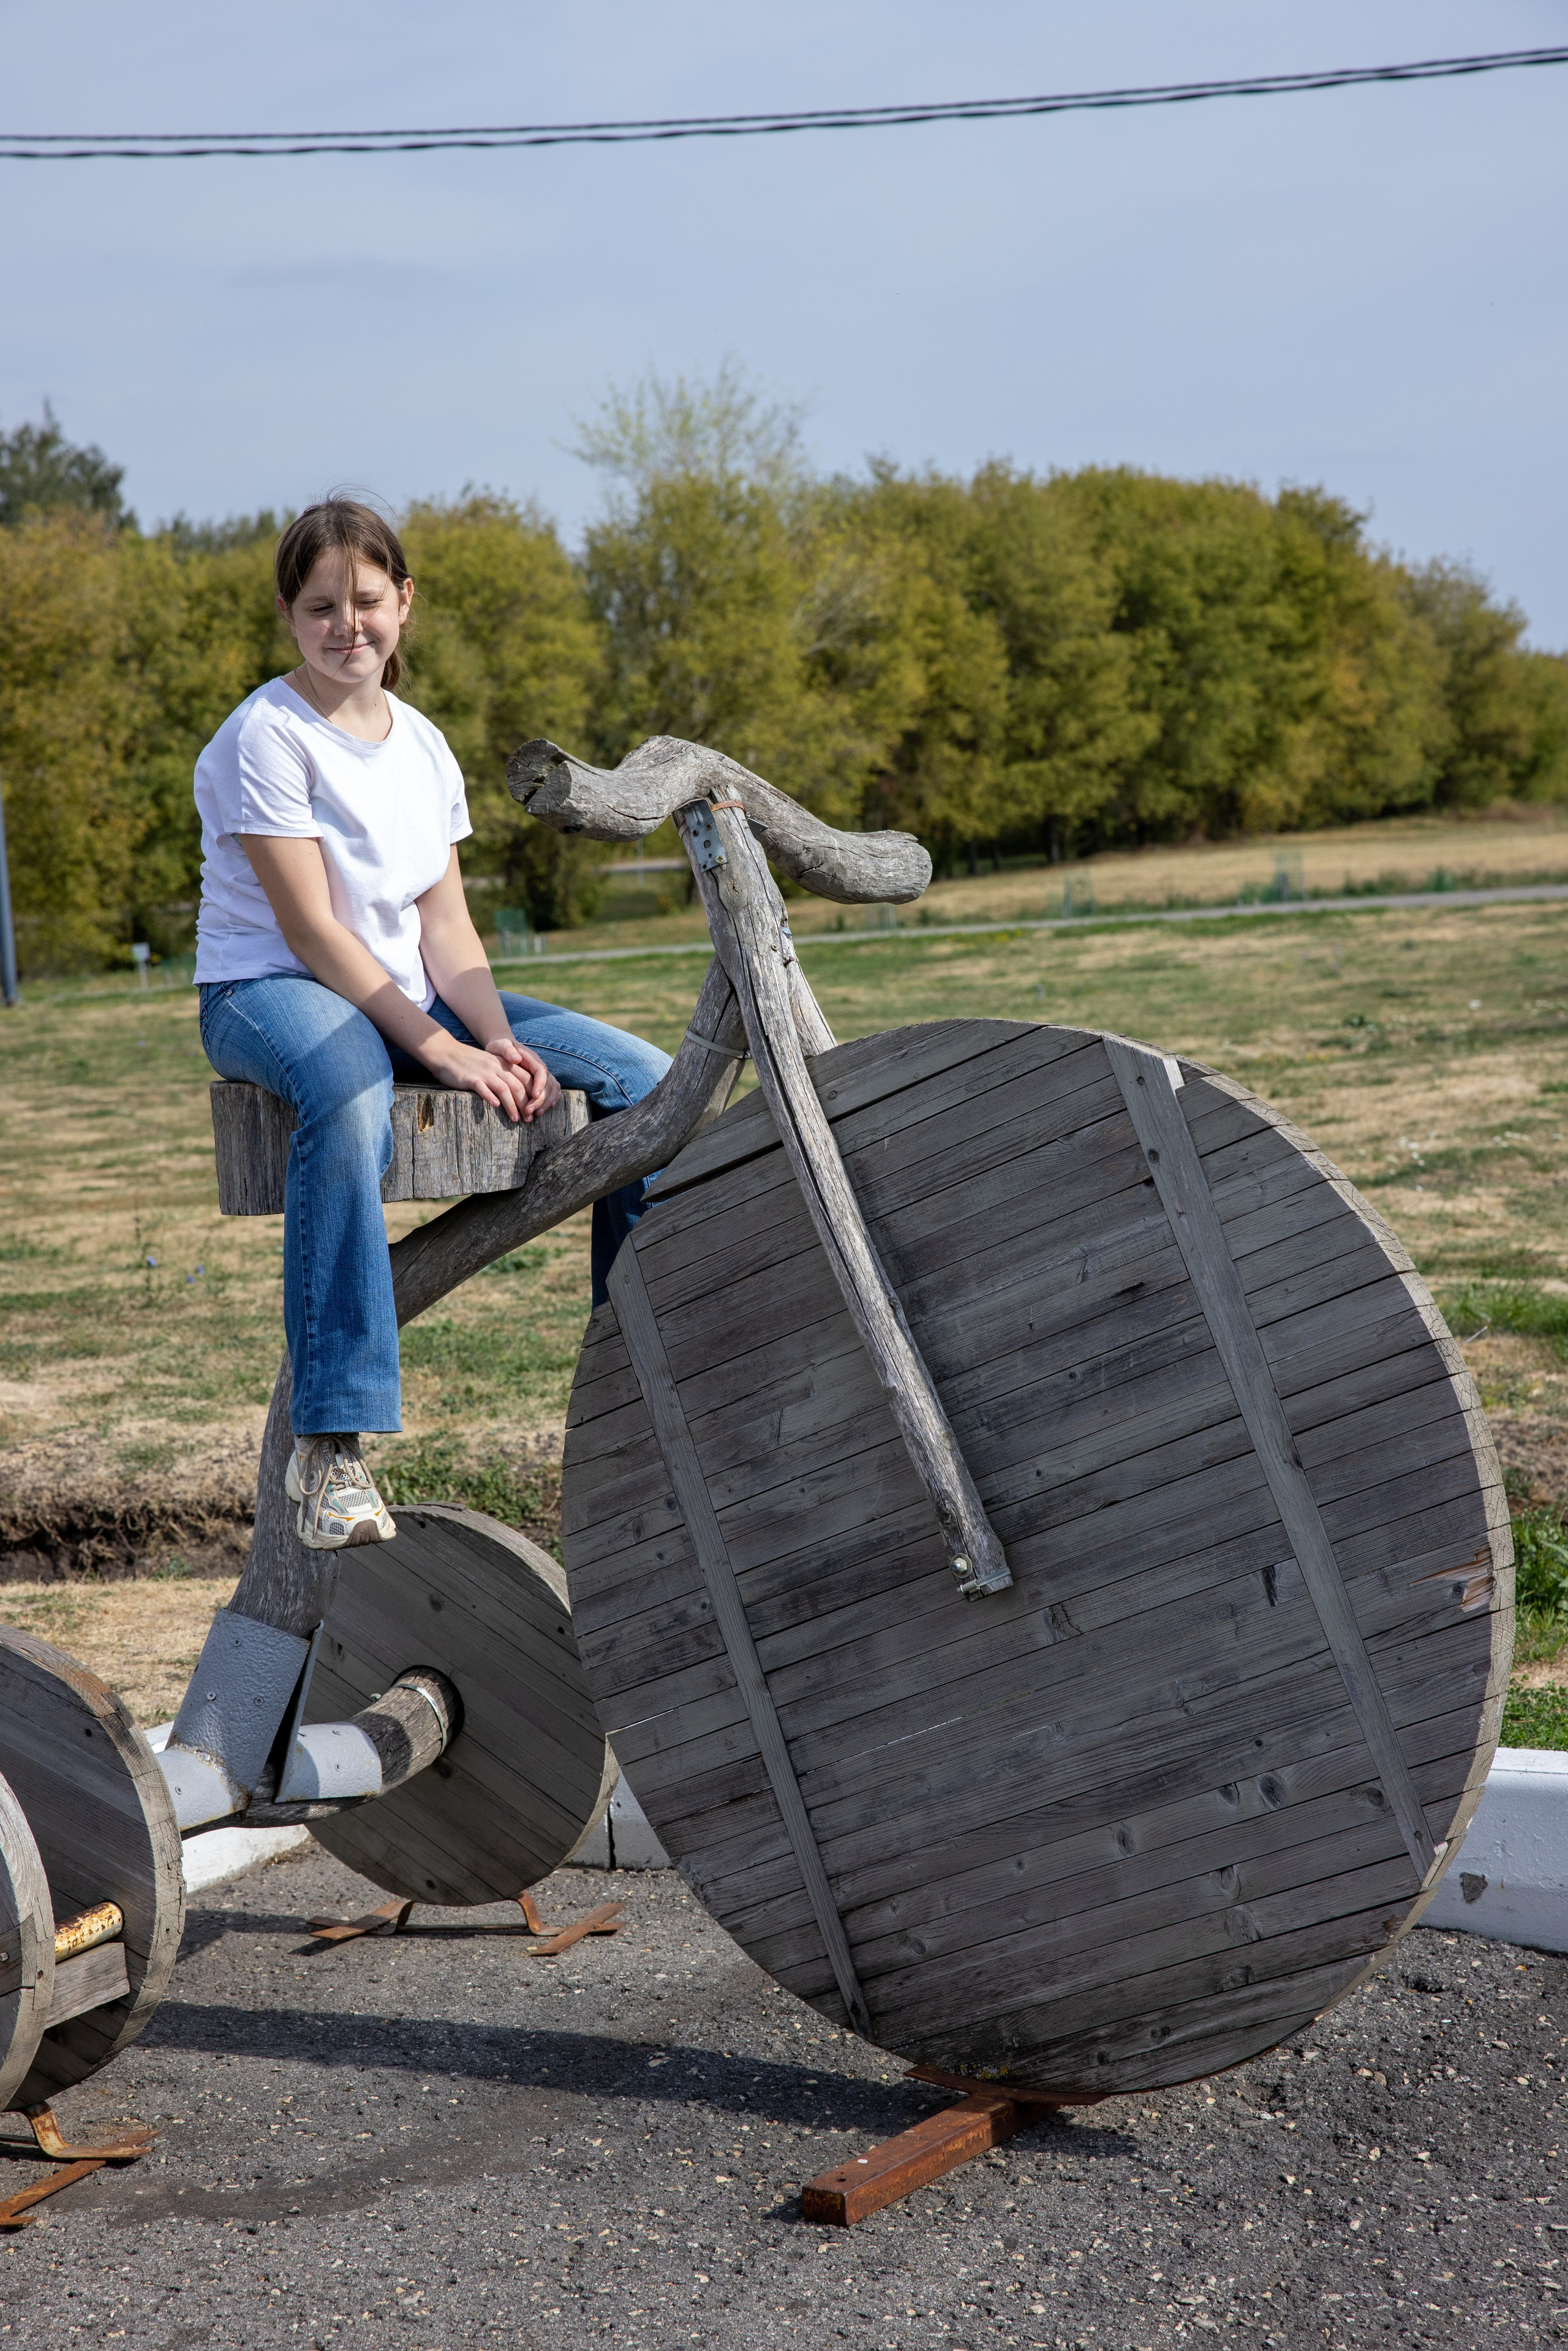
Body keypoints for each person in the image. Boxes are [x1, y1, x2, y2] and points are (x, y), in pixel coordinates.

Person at [194, 499, 669, 1551]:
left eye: (366, 601)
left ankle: (633, 1385)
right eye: (320, 608)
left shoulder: (424, 746)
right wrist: (438, 1047)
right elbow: (313, 932)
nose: (346, 625)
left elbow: (445, 926)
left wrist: (494, 1036)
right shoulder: (265, 736)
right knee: (349, 1089)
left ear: (404, 602)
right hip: (268, 989)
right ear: (288, 616)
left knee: (648, 1082)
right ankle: (332, 1445)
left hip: (408, 987)